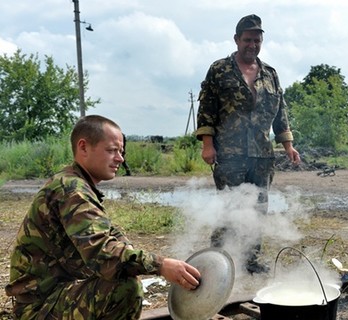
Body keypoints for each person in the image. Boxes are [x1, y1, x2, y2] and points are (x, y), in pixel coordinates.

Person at [5, 115, 201, 319]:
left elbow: (111, 237)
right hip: (39, 308)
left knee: (123, 274)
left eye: (121, 151)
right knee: (125, 289)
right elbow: (101, 253)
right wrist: (160, 265)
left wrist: (145, 260)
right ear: (83, 148)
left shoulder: (77, 185)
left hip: (57, 296)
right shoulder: (71, 189)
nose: (120, 158)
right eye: (112, 150)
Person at [195, 14, 301, 274]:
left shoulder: (271, 74)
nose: (252, 45)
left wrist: (287, 145)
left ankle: (250, 261)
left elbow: (280, 111)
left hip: (262, 155)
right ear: (236, 40)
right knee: (229, 208)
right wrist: (207, 144)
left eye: (257, 40)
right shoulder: (219, 69)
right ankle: (218, 261)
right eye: (247, 40)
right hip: (230, 154)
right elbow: (207, 107)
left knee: (258, 208)